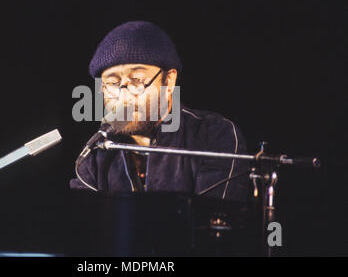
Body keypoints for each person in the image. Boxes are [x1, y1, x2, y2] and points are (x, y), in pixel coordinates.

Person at [70, 21, 249, 201]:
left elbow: (210, 220)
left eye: (137, 80)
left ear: (169, 81)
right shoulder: (95, 154)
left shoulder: (213, 135)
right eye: (113, 84)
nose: (123, 96)